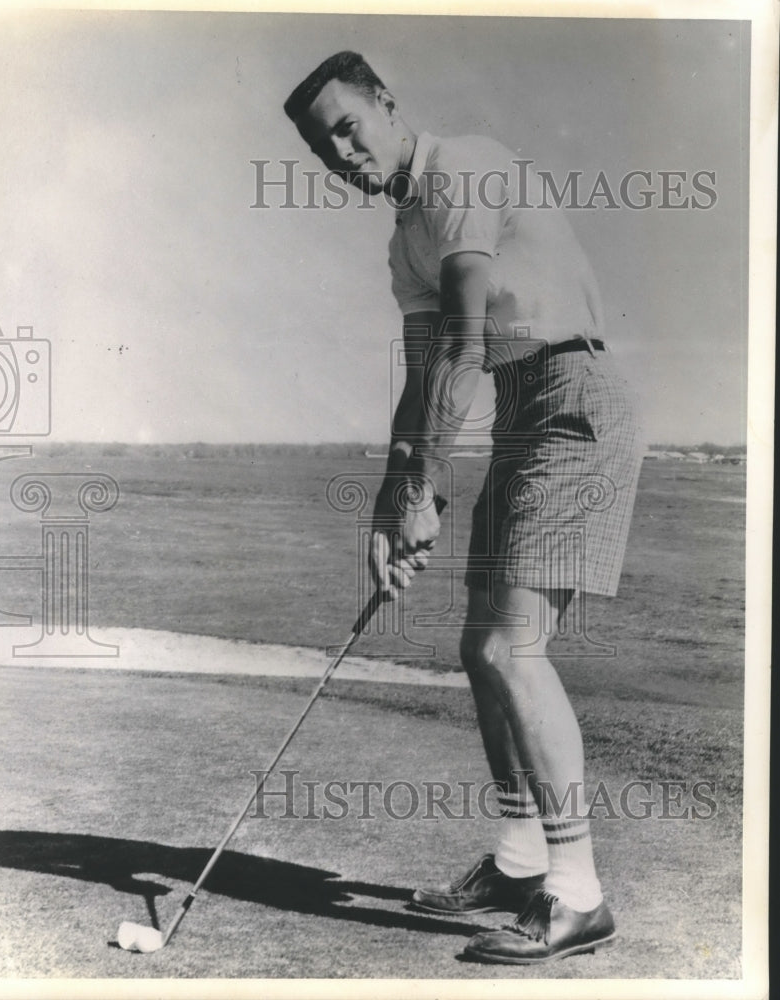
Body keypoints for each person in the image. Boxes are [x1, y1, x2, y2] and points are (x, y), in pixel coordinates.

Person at [284, 50, 643, 965]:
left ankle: (579, 895)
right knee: (477, 651)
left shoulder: (465, 165)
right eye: (323, 146)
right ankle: (521, 861)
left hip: (571, 397)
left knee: (505, 646)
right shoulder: (405, 234)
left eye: (347, 126)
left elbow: (465, 339)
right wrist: (389, 502)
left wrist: (426, 489)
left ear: (385, 104)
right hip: (524, 412)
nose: (341, 152)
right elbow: (421, 378)